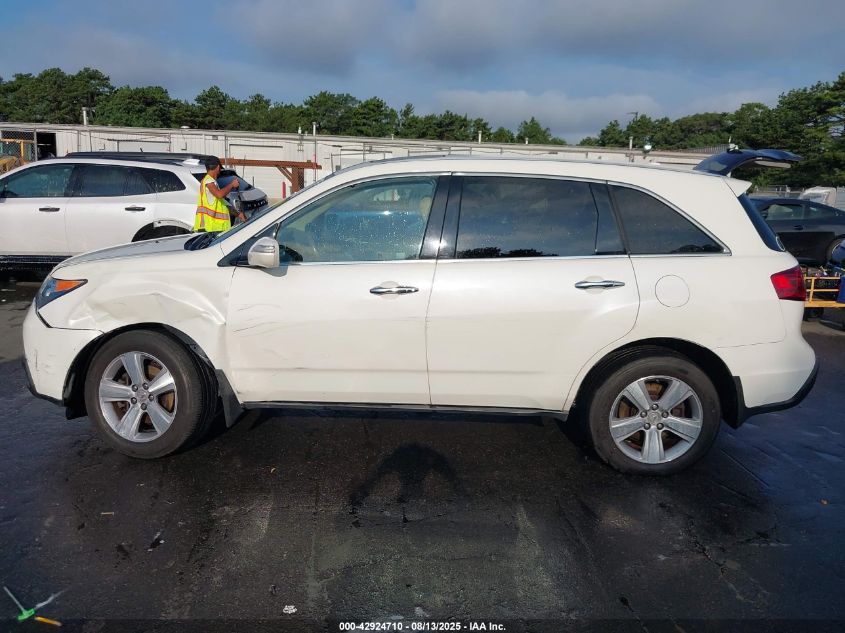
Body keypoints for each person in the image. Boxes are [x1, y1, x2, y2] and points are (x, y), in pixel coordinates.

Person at [193, 156, 244, 232]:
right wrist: (232, 185)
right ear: (217, 167)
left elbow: (223, 203)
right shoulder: (208, 181)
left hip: (215, 227)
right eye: (219, 168)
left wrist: (238, 214)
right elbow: (219, 194)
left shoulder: (212, 183)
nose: (220, 170)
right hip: (210, 228)